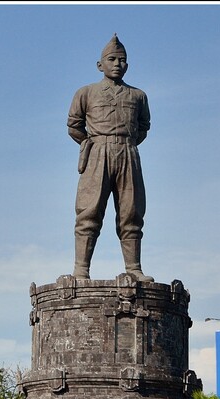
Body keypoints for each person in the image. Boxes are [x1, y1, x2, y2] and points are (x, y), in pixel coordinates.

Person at [67, 33, 153, 282]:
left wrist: (126, 145)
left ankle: (134, 268)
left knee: (132, 212)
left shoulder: (138, 96)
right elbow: (74, 125)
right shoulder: (86, 93)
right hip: (97, 153)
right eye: (112, 59)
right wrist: (90, 144)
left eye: (122, 60)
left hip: (128, 153)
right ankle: (81, 269)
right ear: (100, 65)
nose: (117, 64)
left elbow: (143, 127)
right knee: (88, 211)